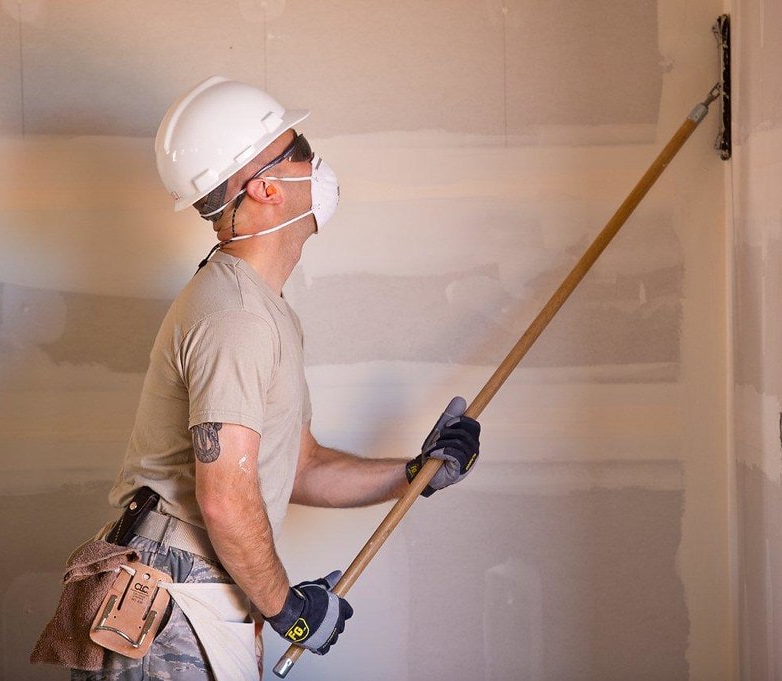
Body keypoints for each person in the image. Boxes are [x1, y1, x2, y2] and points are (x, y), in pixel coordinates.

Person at [74, 76, 481, 680]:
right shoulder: (235, 316)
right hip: (175, 596)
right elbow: (224, 497)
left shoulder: (259, 307)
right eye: (302, 151)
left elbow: (299, 466)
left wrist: (415, 475)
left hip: (195, 588)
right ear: (264, 187)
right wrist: (290, 611)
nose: (316, 164)